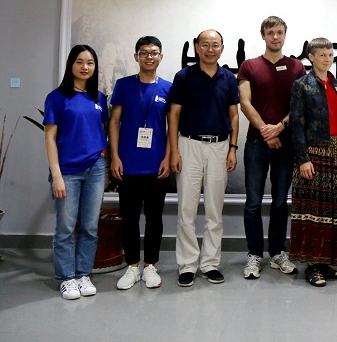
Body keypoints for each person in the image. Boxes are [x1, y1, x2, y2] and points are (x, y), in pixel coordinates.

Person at [168, 29, 240, 287]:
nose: (210, 49)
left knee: (214, 210)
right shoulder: (184, 77)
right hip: (189, 146)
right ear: (197, 47)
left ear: (222, 48)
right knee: (186, 210)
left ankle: (209, 263)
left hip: (219, 147)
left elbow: (234, 115)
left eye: (215, 45)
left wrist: (233, 148)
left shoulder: (228, 78)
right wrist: (174, 150)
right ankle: (187, 265)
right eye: (206, 44)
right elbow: (174, 115)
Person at [238, 16, 305, 279]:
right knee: (253, 202)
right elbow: (245, 103)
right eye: (270, 32)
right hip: (257, 143)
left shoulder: (297, 67)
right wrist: (267, 131)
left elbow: (299, 105)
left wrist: (280, 127)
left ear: (285, 35)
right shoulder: (249, 66)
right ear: (263, 35)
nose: (275, 37)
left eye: (279, 32)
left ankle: (277, 252)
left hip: (285, 144)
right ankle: (254, 254)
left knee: (279, 201)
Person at [44, 44, 109, 300]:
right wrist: (56, 175)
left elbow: (98, 130)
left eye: (90, 63)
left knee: (90, 227)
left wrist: (102, 157)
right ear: (71, 64)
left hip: (95, 169)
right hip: (67, 171)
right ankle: (67, 278)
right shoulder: (57, 97)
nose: (85, 67)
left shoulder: (99, 98)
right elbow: (50, 138)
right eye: (80, 62)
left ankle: (83, 274)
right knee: (65, 228)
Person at [109, 36, 173, 290]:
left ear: (161, 57)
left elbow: (172, 127)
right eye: (144, 53)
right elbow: (114, 122)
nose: (149, 57)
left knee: (155, 219)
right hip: (127, 164)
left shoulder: (167, 88)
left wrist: (168, 156)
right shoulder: (124, 85)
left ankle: (150, 266)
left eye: (154, 53)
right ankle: (132, 266)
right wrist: (114, 156)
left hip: (157, 165)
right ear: (136, 56)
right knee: (129, 218)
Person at [289, 37, 337, 287]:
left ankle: (326, 261)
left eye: (330, 55)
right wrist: (303, 159)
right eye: (322, 55)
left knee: (332, 211)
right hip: (312, 156)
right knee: (312, 213)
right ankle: (312, 265)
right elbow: (296, 124)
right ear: (311, 57)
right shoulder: (302, 85)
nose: (327, 59)